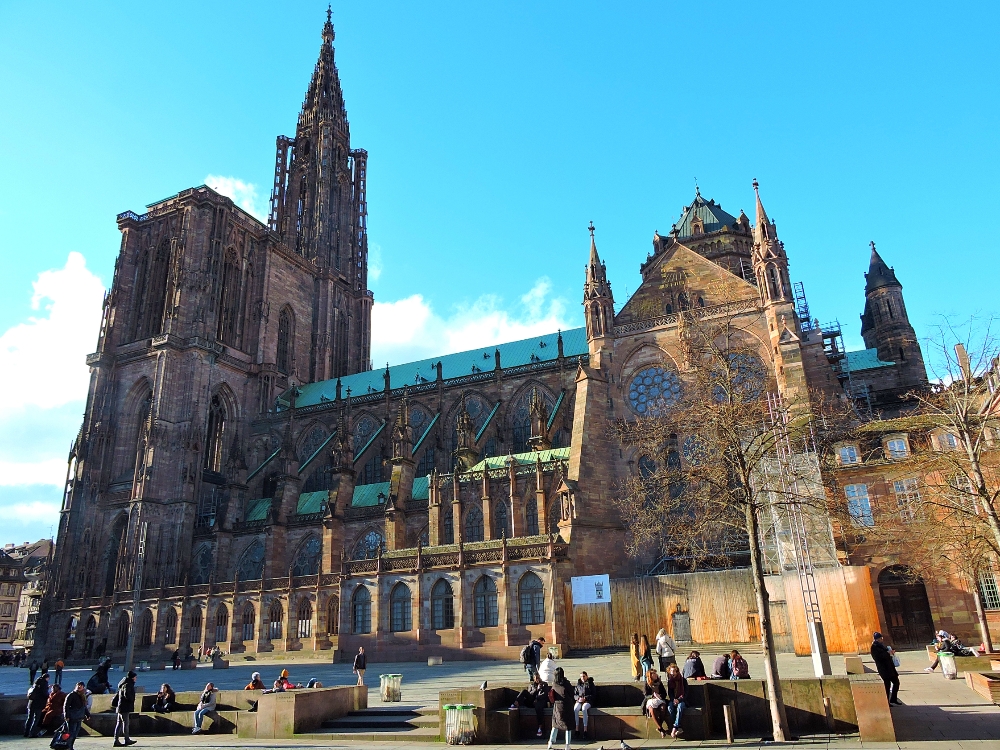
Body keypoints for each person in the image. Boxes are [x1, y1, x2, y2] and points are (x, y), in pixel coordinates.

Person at [509, 672, 549, 738]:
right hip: (532, 702)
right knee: (524, 691)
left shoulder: (544, 684)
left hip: (540, 702)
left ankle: (540, 728)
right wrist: (536, 689)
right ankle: (515, 704)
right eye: (536, 678)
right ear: (534, 679)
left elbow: (544, 695)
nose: (537, 679)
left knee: (538, 708)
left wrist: (537, 698)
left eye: (538, 677)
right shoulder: (532, 685)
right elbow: (530, 694)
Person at [871, 632, 901, 705]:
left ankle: (893, 699)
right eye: (881, 638)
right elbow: (878, 657)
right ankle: (886, 701)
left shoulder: (881, 645)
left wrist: (890, 652)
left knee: (896, 682)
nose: (882, 639)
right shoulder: (874, 647)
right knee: (887, 685)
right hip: (883, 668)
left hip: (890, 667)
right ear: (877, 639)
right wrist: (888, 653)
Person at [547, 666, 573, 750]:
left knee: (555, 725)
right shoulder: (566, 683)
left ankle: (550, 743)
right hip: (566, 706)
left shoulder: (554, 683)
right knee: (567, 726)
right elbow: (571, 693)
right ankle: (567, 745)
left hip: (557, 706)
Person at [113, 670, 137, 747]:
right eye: (135, 677)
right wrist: (132, 699)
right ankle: (126, 739)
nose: (136, 678)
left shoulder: (124, 684)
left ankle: (116, 740)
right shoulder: (128, 684)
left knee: (119, 723)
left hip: (120, 707)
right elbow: (127, 695)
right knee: (125, 723)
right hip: (124, 707)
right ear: (132, 677)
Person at [643, 668, 670, 738]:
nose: (655, 675)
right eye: (653, 674)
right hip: (651, 700)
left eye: (655, 673)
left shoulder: (659, 682)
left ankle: (659, 727)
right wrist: (652, 695)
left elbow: (664, 693)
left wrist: (660, 696)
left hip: (659, 700)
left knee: (663, 707)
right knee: (652, 710)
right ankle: (661, 729)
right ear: (650, 676)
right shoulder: (647, 683)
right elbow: (646, 695)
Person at [64, 682, 91, 750]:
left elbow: (84, 707)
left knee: (75, 734)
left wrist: (87, 714)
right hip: (72, 717)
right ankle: (68, 746)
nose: (79, 687)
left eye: (81, 686)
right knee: (71, 733)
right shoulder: (72, 695)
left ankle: (70, 746)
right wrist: (66, 715)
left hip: (79, 717)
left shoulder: (82, 695)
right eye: (78, 685)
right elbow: (66, 705)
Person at [665, 662, 687, 738]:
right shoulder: (670, 681)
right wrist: (673, 699)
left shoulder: (683, 680)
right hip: (673, 700)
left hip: (682, 700)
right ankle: (678, 727)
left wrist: (679, 700)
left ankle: (675, 727)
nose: (672, 673)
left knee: (680, 707)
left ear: (677, 671)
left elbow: (686, 693)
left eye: (674, 671)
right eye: (671, 671)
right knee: (670, 707)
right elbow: (670, 693)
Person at [573, 671, 595, 740]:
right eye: (581, 676)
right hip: (579, 700)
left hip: (588, 701)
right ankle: (577, 729)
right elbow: (574, 694)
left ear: (587, 676)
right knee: (575, 709)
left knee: (584, 708)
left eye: (584, 676)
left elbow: (594, 695)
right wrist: (578, 698)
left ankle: (585, 730)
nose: (582, 678)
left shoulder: (590, 683)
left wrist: (585, 698)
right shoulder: (578, 684)